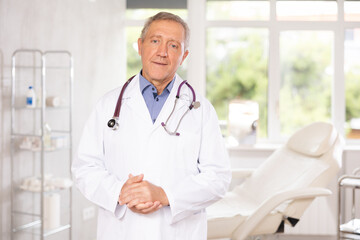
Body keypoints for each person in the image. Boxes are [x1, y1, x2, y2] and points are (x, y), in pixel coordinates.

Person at [72, 12, 231, 240]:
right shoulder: (108, 105)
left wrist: (165, 195)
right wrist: (120, 192)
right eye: (155, 41)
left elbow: (218, 177)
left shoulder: (200, 110)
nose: (162, 52)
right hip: (121, 230)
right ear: (140, 45)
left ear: (183, 56)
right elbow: (85, 168)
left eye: (173, 45)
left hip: (177, 232)